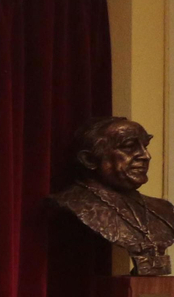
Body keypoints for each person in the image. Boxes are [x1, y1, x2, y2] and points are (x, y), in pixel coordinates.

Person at [48, 116, 174, 276]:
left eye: (145, 146)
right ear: (89, 160)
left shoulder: (164, 210)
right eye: (129, 147)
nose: (146, 156)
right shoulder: (73, 203)